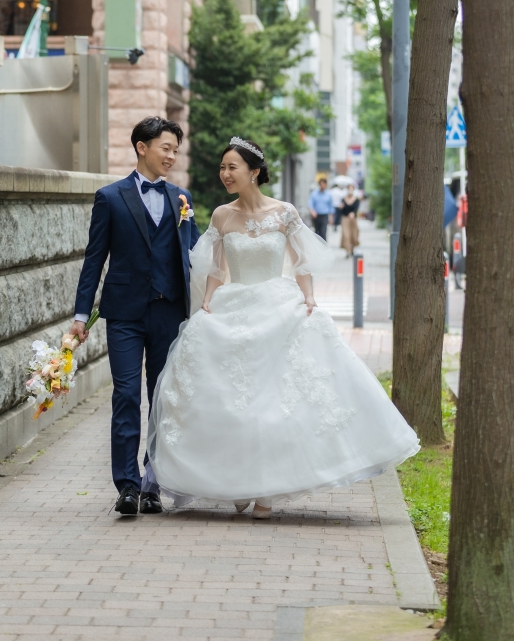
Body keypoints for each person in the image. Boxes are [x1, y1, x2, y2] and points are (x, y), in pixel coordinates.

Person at [147, 137, 419, 516]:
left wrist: (308, 298)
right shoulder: (222, 216)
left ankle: (265, 492)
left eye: (232, 167)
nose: (225, 174)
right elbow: (213, 265)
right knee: (234, 402)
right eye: (222, 167)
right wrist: (207, 301)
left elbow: (302, 260)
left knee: (273, 401)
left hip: (276, 305)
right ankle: (236, 482)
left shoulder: (285, 212)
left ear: (254, 172)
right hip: (234, 304)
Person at [70, 116, 200, 517]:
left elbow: (196, 255)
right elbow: (95, 260)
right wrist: (80, 315)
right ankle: (127, 485)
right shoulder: (110, 197)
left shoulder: (182, 199)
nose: (172, 156)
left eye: (176, 150)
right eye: (166, 148)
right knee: (126, 395)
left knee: (161, 398)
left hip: (168, 310)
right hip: (124, 312)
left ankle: (154, 482)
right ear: (142, 147)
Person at [309, 174, 334, 240]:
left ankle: (324, 246)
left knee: (323, 231)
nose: (322, 185)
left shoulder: (328, 194)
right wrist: (312, 212)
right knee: (317, 231)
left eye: (323, 184)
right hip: (316, 215)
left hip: (324, 215)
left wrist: (331, 217)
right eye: (321, 184)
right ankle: (317, 246)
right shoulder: (314, 194)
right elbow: (310, 204)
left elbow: (331, 206)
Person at [340, 186, 361, 256]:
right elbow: (341, 210)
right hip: (345, 219)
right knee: (346, 234)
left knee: (354, 234)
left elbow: (356, 209)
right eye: (349, 189)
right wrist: (341, 207)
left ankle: (352, 248)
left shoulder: (356, 200)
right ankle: (347, 250)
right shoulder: (343, 199)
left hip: (353, 219)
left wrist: (353, 213)